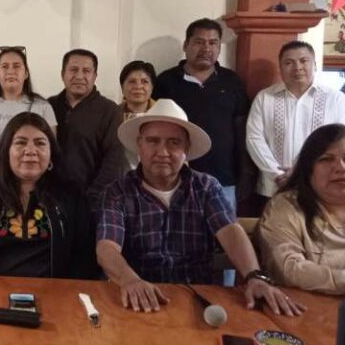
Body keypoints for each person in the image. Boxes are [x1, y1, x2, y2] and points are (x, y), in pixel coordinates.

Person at [97, 98, 303, 316]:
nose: (163, 151)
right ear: (139, 145)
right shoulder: (118, 191)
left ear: (187, 148)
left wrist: (255, 277)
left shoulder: (206, 187)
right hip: (137, 299)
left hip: (199, 300)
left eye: (174, 142)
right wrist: (130, 280)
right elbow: (107, 247)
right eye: (153, 141)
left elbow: (230, 231)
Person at [0, 112, 97, 278]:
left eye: (40, 143)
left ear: (51, 153)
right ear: (6, 151)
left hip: (55, 291)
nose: (30, 151)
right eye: (20, 143)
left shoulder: (71, 195)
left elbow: (84, 258)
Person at [154, 18, 248, 211]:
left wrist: (245, 175)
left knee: (223, 230)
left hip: (223, 179)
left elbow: (242, 131)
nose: (206, 49)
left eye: (213, 43)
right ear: (186, 45)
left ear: (219, 48)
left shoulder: (232, 82)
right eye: (199, 42)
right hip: (175, 178)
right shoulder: (166, 81)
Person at [258, 124, 345, 294]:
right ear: (308, 170)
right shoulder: (287, 206)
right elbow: (289, 270)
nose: (341, 167)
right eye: (326, 159)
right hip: (307, 306)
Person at [247, 41, 345, 199]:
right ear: (280, 68)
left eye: (304, 61)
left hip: (319, 186)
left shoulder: (336, 99)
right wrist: (277, 174)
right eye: (289, 63)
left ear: (314, 65)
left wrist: (304, 173)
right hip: (274, 187)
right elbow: (254, 139)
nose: (297, 67)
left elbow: (342, 141)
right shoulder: (264, 98)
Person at [48, 49, 124, 209]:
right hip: (50, 198)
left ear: (95, 76)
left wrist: (92, 197)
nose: (79, 76)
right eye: (73, 70)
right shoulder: (48, 106)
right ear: (62, 74)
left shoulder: (110, 110)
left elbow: (113, 160)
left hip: (92, 201)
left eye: (87, 71)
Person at [0, 46, 56, 174]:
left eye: (16, 66)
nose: (11, 71)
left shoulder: (43, 107)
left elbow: (49, 148)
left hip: (30, 180)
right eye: (5, 66)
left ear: (26, 73)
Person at [119, 60, 157, 169]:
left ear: (152, 87)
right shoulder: (110, 116)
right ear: (122, 87)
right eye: (132, 81)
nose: (138, 86)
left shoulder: (165, 116)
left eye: (144, 81)